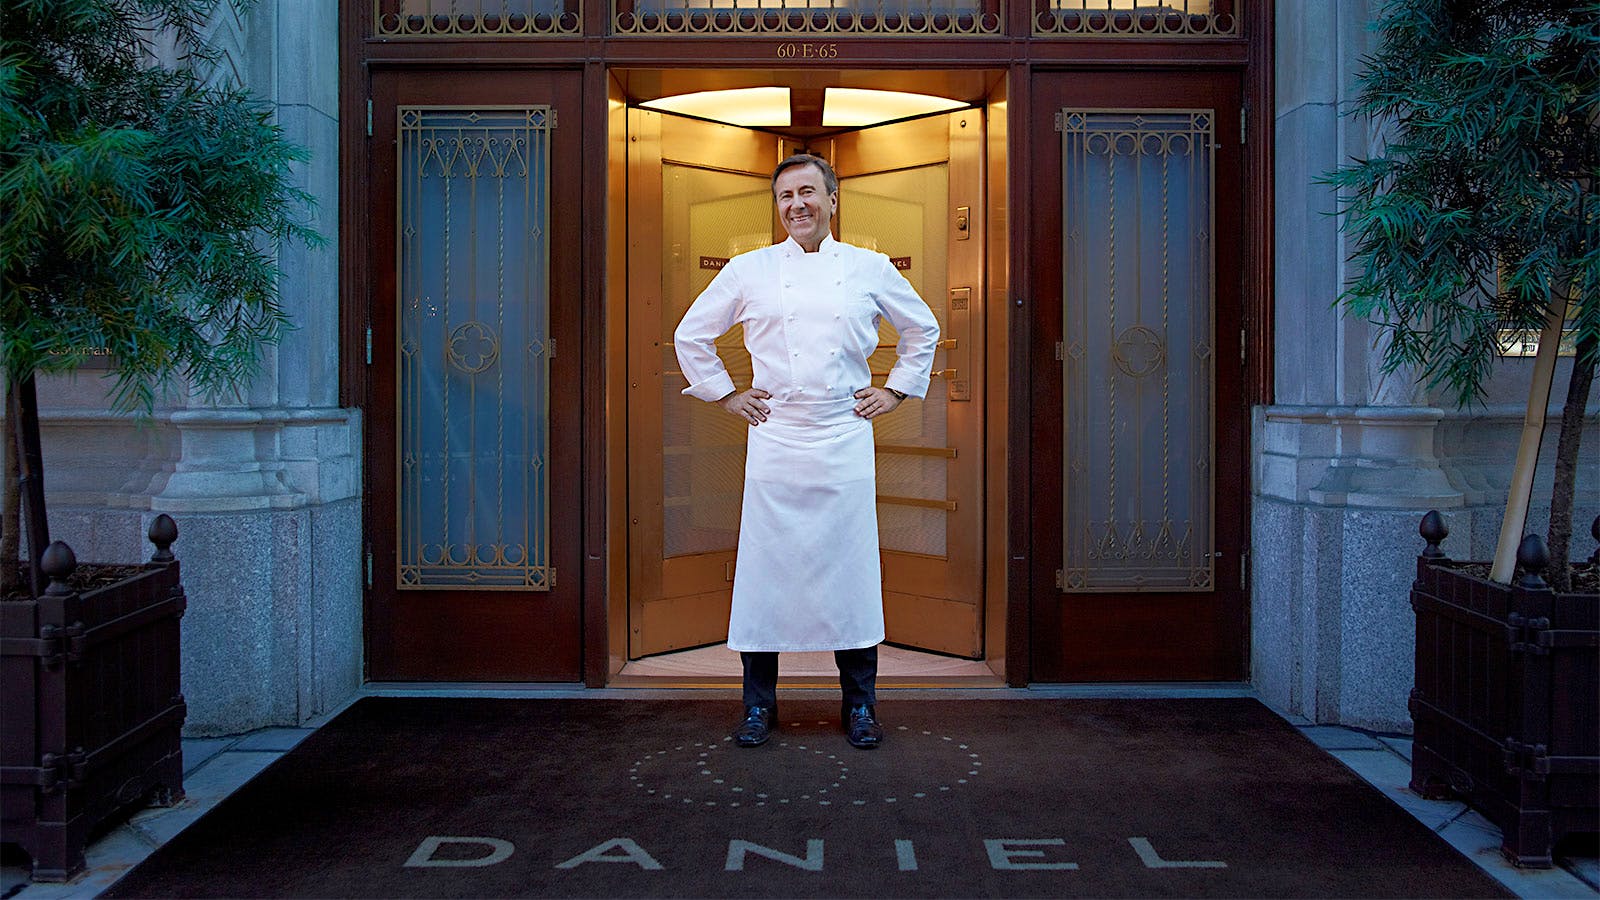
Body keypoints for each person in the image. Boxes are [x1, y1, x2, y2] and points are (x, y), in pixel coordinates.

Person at [673, 153, 940, 750]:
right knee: (766, 574)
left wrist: (895, 389)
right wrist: (726, 396)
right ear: (778, 206)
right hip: (776, 436)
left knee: (850, 570)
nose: (797, 205)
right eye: (786, 196)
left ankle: (862, 706)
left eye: (808, 193)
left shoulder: (870, 268)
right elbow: (691, 335)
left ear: (833, 199)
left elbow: (923, 327)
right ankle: (757, 707)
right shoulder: (750, 270)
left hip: (843, 434)